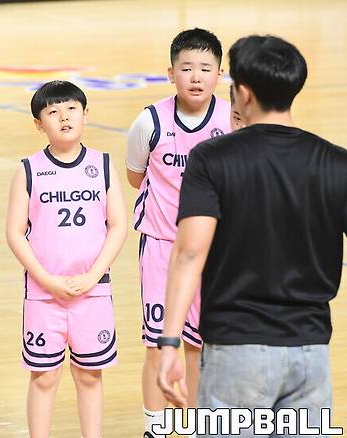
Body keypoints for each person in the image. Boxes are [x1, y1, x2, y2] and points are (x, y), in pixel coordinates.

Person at [157, 35, 347, 437]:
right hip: (310, 353)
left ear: (243, 92)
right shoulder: (336, 162)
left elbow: (189, 254)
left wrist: (170, 341)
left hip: (235, 352)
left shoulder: (212, 158)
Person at [125, 27, 231, 438]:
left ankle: (202, 424)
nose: (196, 76)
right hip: (161, 246)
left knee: (201, 345)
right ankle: (157, 428)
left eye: (205, 68)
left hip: (212, 249)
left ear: (219, 74)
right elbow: (136, 176)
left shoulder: (230, 120)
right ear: (170, 73)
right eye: (186, 68)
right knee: (158, 344)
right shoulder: (149, 121)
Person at [6, 80, 127, 438]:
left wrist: (93, 276)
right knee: (44, 377)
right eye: (53, 111)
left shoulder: (102, 165)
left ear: (86, 114)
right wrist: (46, 279)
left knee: (89, 376)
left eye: (72, 108)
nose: (64, 117)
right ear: (38, 123)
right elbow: (15, 233)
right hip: (44, 296)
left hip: (93, 293)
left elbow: (118, 225)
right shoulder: (28, 170)